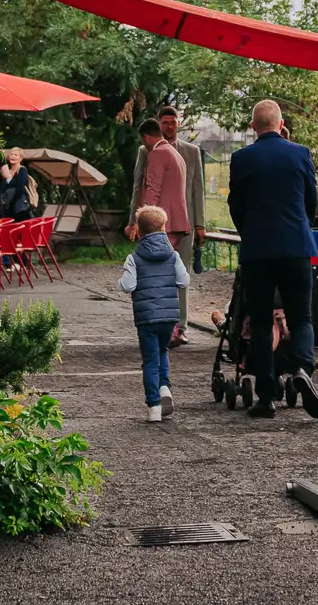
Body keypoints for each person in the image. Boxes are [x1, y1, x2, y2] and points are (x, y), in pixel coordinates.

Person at [227, 98, 318, 420]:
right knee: (302, 318)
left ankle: (266, 397)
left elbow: (235, 205)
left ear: (253, 126)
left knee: (263, 323)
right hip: (296, 246)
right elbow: (311, 200)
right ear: (281, 125)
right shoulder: (300, 153)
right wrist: (299, 228)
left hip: (257, 251)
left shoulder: (241, 159)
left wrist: (250, 232)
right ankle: (302, 368)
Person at [129, 106, 206, 345]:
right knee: (166, 273)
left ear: (178, 124)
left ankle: (176, 326)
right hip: (168, 223)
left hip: (175, 223)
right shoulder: (149, 151)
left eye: (173, 122)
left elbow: (196, 189)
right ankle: (165, 325)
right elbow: (139, 185)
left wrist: (200, 224)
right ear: (159, 124)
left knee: (172, 273)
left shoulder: (187, 152)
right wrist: (133, 218)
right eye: (165, 122)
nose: (170, 126)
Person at [119, 204, 191, 422]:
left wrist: (122, 279)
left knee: (150, 360)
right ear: (164, 229)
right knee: (162, 352)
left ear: (139, 231)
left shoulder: (134, 258)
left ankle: (154, 408)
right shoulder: (174, 256)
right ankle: (164, 388)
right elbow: (184, 281)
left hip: (146, 318)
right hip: (169, 317)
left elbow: (128, 286)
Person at [126, 119, 189, 248]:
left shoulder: (158, 153)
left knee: (156, 264)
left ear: (146, 137)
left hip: (161, 224)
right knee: (167, 263)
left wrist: (143, 221)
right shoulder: (174, 153)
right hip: (176, 221)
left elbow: (153, 189)